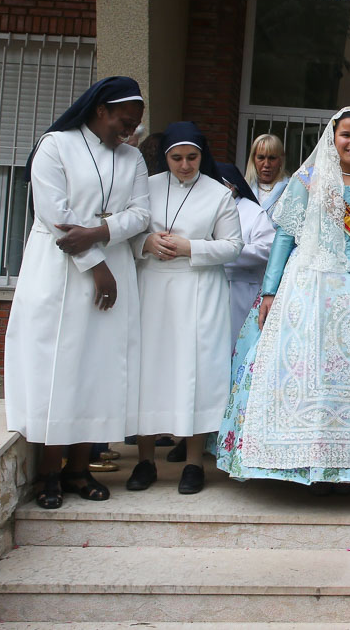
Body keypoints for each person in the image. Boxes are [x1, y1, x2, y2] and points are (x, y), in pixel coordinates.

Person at [214, 108, 350, 492]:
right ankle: (310, 462)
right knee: (315, 373)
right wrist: (270, 290)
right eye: (346, 135)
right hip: (314, 285)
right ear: (333, 136)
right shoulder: (308, 177)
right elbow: (285, 237)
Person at [5, 76, 149, 508]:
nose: (129, 131)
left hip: (112, 262)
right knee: (61, 364)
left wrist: (103, 230)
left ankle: (79, 469)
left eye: (136, 125)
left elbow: (141, 213)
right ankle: (49, 472)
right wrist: (97, 264)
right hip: (60, 269)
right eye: (124, 121)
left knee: (98, 367)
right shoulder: (56, 145)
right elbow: (54, 215)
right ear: (100, 109)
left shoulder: (132, 159)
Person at [127, 122, 242, 494]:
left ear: (202, 156)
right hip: (152, 287)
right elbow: (126, 235)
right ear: (166, 158)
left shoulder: (218, 193)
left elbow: (233, 245)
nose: (185, 165)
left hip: (198, 288)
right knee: (149, 371)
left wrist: (189, 247)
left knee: (195, 372)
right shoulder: (146, 186)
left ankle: (194, 463)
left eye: (192, 157)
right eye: (177, 158)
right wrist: (146, 244)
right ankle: (145, 462)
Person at [216, 161, 276, 342]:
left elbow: (267, 248)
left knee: (236, 342)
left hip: (242, 288)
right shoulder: (208, 209)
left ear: (231, 187)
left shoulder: (253, 212)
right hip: (211, 284)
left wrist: (224, 251)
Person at [245, 133, 290, 212]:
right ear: (253, 159)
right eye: (261, 158)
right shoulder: (243, 187)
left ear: (281, 160)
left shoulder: (290, 188)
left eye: (272, 158)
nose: (266, 164)